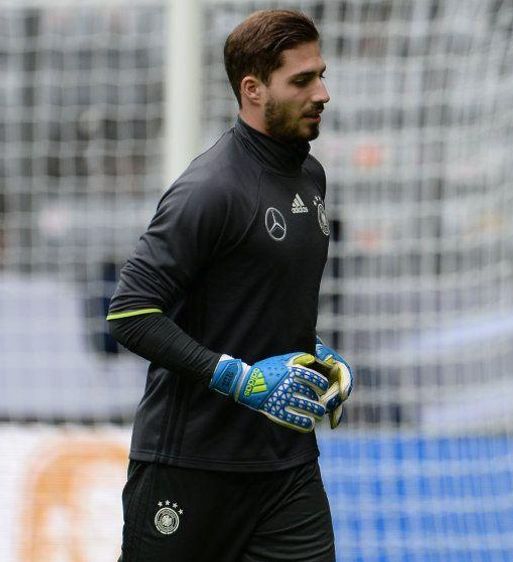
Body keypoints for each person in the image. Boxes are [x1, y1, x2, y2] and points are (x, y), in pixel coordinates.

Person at [106, 10, 351, 561]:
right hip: (190, 465)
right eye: (302, 80)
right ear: (253, 89)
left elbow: (253, 300)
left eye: (321, 75)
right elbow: (129, 313)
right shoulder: (209, 189)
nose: (322, 93)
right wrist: (237, 378)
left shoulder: (311, 177)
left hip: (287, 467)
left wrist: (317, 354)